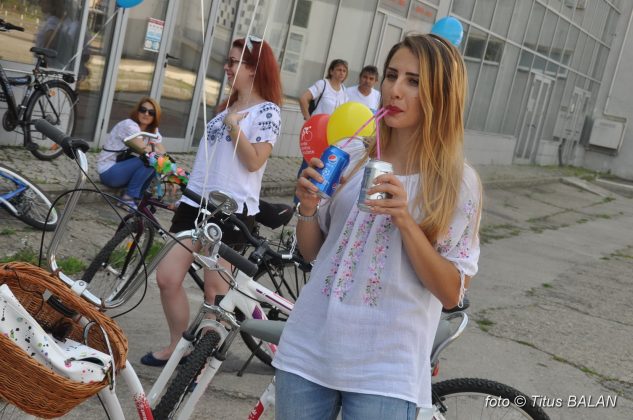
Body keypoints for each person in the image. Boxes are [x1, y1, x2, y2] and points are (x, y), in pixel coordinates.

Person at [273, 34, 482, 419]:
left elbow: (452, 293)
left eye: (413, 81)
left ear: (441, 95)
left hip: (386, 370)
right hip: (308, 350)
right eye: (391, 75)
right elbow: (313, 253)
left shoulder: (456, 184)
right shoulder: (351, 154)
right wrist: (307, 208)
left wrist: (405, 220)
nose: (394, 90)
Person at [141, 36, 283, 366]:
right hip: (196, 204)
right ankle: (179, 347)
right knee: (167, 277)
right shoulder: (224, 109)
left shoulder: (267, 112)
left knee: (214, 293)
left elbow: (254, 161)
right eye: (228, 61)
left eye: (234, 62)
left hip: (230, 210)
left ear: (253, 68)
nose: (227, 67)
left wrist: (235, 128)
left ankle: (200, 363)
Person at [96, 97, 164, 210]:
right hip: (108, 172)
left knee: (156, 161)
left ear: (155, 116)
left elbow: (162, 151)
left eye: (151, 112)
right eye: (143, 110)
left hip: (122, 170)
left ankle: (138, 198)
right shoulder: (129, 125)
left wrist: (163, 159)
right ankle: (127, 199)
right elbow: (143, 148)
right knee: (151, 159)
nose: (146, 114)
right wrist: (158, 154)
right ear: (137, 111)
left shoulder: (152, 130)